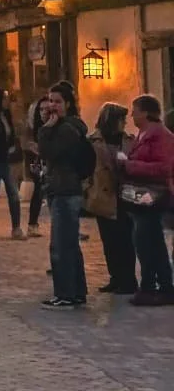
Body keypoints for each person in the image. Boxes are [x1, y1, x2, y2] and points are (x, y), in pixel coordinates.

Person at [38, 80, 93, 309]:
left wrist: (45, 129)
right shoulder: (67, 127)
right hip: (63, 189)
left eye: (58, 102)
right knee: (70, 243)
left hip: (65, 190)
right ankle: (77, 292)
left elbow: (48, 152)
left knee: (60, 245)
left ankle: (65, 294)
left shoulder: (66, 129)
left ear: (68, 104)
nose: (52, 106)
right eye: (50, 101)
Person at [116, 93, 174, 306]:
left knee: (149, 243)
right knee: (147, 242)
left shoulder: (161, 136)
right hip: (141, 201)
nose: (132, 115)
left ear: (147, 112)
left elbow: (164, 167)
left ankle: (156, 287)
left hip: (154, 198)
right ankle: (156, 286)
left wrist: (129, 165)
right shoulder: (142, 134)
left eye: (135, 110)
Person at [85, 102, 137, 296]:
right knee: (109, 240)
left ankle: (128, 280)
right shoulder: (93, 141)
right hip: (103, 194)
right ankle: (115, 277)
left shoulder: (129, 140)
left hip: (124, 194)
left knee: (126, 239)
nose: (124, 123)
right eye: (121, 119)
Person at [0, 87, 25, 239]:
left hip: (6, 159)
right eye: (4, 98)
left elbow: (11, 133)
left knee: (13, 193)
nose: (7, 101)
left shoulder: (6, 114)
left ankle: (16, 227)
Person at [23, 95, 52, 236]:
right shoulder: (35, 127)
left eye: (47, 109)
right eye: (41, 109)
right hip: (38, 163)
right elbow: (27, 143)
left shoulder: (55, 127)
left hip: (52, 165)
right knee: (38, 190)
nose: (43, 113)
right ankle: (32, 224)